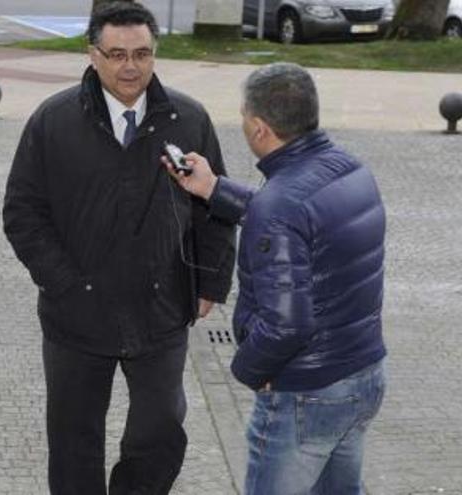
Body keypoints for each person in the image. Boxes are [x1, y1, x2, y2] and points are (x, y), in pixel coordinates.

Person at [2, 2, 236, 493]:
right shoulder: (54, 120)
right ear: (93, 55)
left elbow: (217, 206)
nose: (130, 66)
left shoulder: (188, 119)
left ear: (155, 54)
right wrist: (65, 282)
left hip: (162, 309)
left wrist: (210, 281)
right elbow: (22, 213)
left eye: (142, 54)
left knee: (160, 433)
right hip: (76, 316)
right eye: (116, 54)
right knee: (73, 444)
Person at [165, 62, 387, 495]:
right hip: (363, 376)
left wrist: (248, 368)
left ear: (259, 127)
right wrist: (214, 188)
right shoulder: (349, 170)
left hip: (307, 393)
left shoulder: (280, 205)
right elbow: (296, 218)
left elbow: (288, 324)